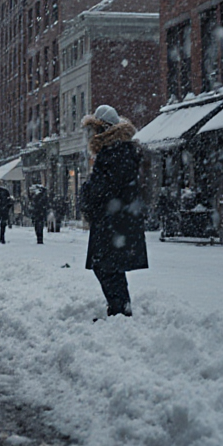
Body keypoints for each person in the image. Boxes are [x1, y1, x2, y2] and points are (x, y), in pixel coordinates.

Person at [80, 105, 147, 317]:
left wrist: (87, 190)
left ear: (104, 129)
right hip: (119, 220)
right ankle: (120, 307)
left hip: (113, 221)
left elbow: (102, 189)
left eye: (95, 129)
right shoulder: (122, 151)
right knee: (112, 267)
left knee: (105, 267)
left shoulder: (112, 154)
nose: (92, 134)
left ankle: (119, 309)